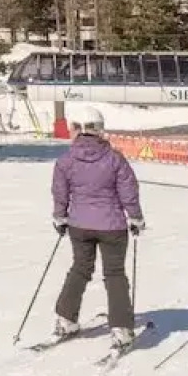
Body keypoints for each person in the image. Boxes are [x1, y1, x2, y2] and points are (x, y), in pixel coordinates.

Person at [50, 108, 144, 352]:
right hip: (111, 225)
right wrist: (135, 217)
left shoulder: (65, 160)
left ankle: (66, 319)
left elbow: (60, 192)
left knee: (80, 268)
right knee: (114, 273)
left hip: (79, 224)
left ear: (74, 129)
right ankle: (121, 328)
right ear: (100, 129)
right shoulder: (114, 158)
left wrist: (60, 217)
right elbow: (128, 190)